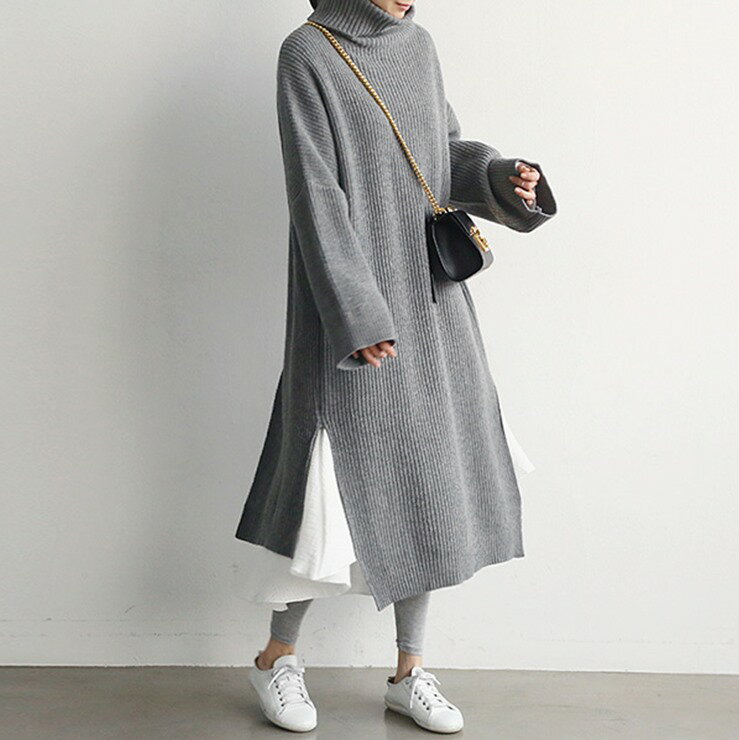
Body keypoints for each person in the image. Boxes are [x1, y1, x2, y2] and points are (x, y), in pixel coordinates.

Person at [235, 0, 558, 732]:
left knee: (428, 476)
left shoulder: (418, 45)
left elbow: (441, 154)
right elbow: (314, 193)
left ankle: (410, 671)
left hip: (431, 299)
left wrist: (500, 175)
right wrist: (355, 312)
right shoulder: (307, 53)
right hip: (351, 308)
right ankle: (276, 658)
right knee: (327, 489)